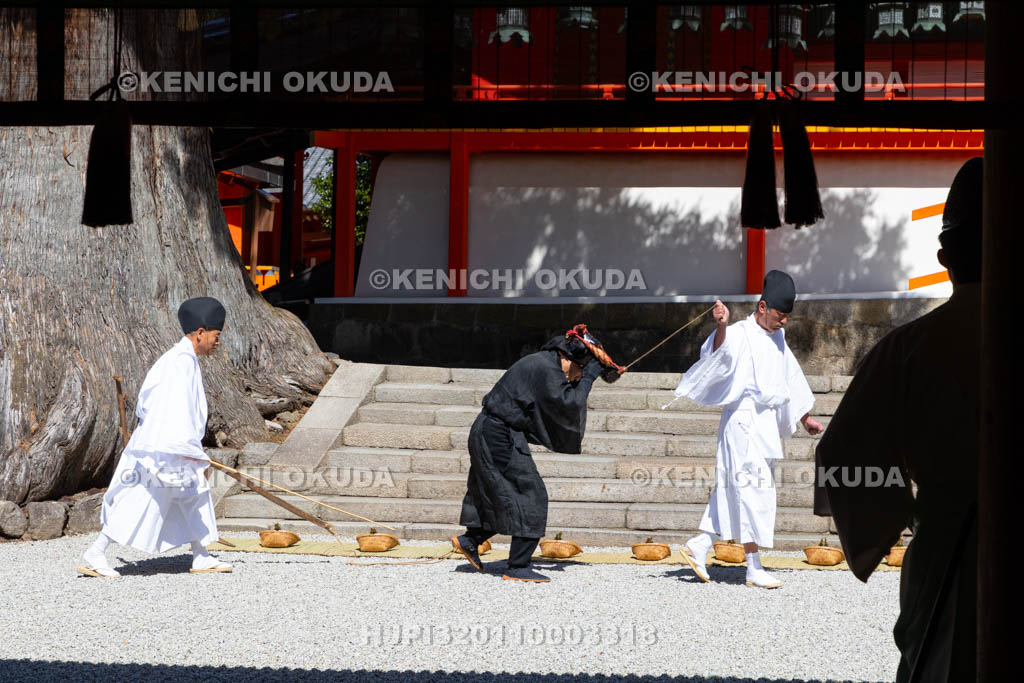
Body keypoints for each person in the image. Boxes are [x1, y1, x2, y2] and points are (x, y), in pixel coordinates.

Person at [814, 157, 982, 682]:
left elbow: (842, 456)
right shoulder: (906, 349)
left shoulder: (910, 350)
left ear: (946, 256)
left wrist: (901, 512)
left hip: (949, 541)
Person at [667, 271, 823, 588]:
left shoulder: (776, 336)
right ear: (763, 307)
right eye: (780, 316)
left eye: (787, 318)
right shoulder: (739, 332)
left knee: (739, 489)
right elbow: (717, 355)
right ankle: (752, 567)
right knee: (752, 491)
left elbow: (789, 374)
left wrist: (804, 416)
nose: (784, 323)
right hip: (743, 422)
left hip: (764, 424)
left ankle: (699, 546)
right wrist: (721, 326)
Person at [452, 325, 623, 583]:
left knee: (497, 492)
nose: (574, 380)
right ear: (569, 359)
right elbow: (570, 403)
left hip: (490, 430)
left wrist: (594, 372)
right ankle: (518, 566)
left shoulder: (543, 363)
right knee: (531, 494)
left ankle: (471, 539)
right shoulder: (546, 367)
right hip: (498, 434)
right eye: (577, 373)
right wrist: (591, 373)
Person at [77, 297, 231, 578]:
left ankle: (201, 555)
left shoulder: (184, 359)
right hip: (163, 447)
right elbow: (172, 411)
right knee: (141, 499)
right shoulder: (177, 363)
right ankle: (96, 552)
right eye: (216, 335)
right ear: (200, 333)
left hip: (172, 444)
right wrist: (191, 452)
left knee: (193, 496)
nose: (218, 341)